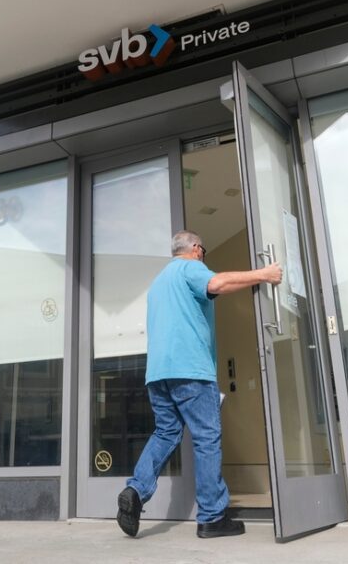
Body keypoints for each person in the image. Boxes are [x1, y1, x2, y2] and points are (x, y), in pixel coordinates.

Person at [116, 230, 282, 539]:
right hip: (191, 369)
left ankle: (136, 490)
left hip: (158, 374)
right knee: (206, 437)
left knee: (166, 433)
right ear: (194, 249)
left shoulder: (158, 283)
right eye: (202, 251)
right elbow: (216, 283)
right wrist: (264, 274)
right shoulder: (189, 267)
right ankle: (211, 516)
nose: (203, 256)